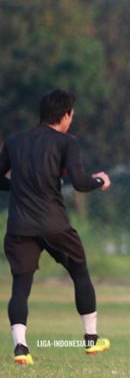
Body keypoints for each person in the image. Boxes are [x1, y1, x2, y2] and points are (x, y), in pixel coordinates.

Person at [0, 89, 112, 364]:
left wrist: (17, 188)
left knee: (20, 287)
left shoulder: (14, 141)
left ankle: (21, 348)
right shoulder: (66, 142)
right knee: (80, 272)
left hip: (19, 226)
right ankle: (91, 341)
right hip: (54, 225)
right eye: (71, 114)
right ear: (65, 115)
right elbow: (80, 182)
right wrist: (100, 181)